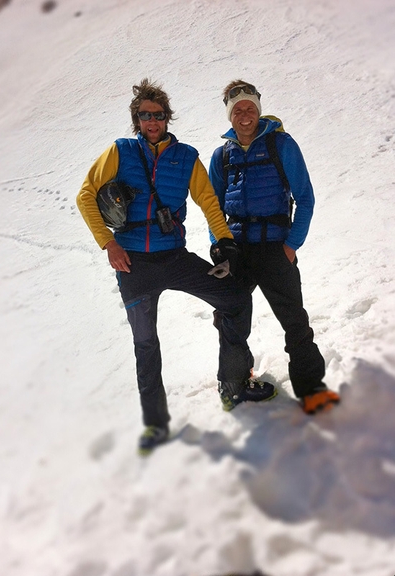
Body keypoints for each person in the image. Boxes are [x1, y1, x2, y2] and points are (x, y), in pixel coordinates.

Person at [76, 79, 276, 455]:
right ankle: (155, 424)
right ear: (137, 119)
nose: (153, 121)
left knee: (234, 297)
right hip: (133, 264)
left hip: (173, 257)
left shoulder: (185, 156)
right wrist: (110, 243)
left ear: (167, 117)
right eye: (145, 115)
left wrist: (225, 242)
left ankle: (233, 382)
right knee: (145, 343)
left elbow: (208, 202)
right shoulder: (120, 151)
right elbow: (86, 194)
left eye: (159, 114)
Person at [208, 80, 340, 415]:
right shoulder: (222, 155)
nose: (245, 114)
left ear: (259, 109)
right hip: (236, 250)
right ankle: (234, 385)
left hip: (275, 248)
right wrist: (219, 247)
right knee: (231, 318)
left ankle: (312, 391)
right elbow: (213, 208)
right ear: (229, 115)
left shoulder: (281, 145)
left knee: (294, 320)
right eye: (237, 110)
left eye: (250, 107)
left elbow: (306, 198)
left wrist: (292, 245)